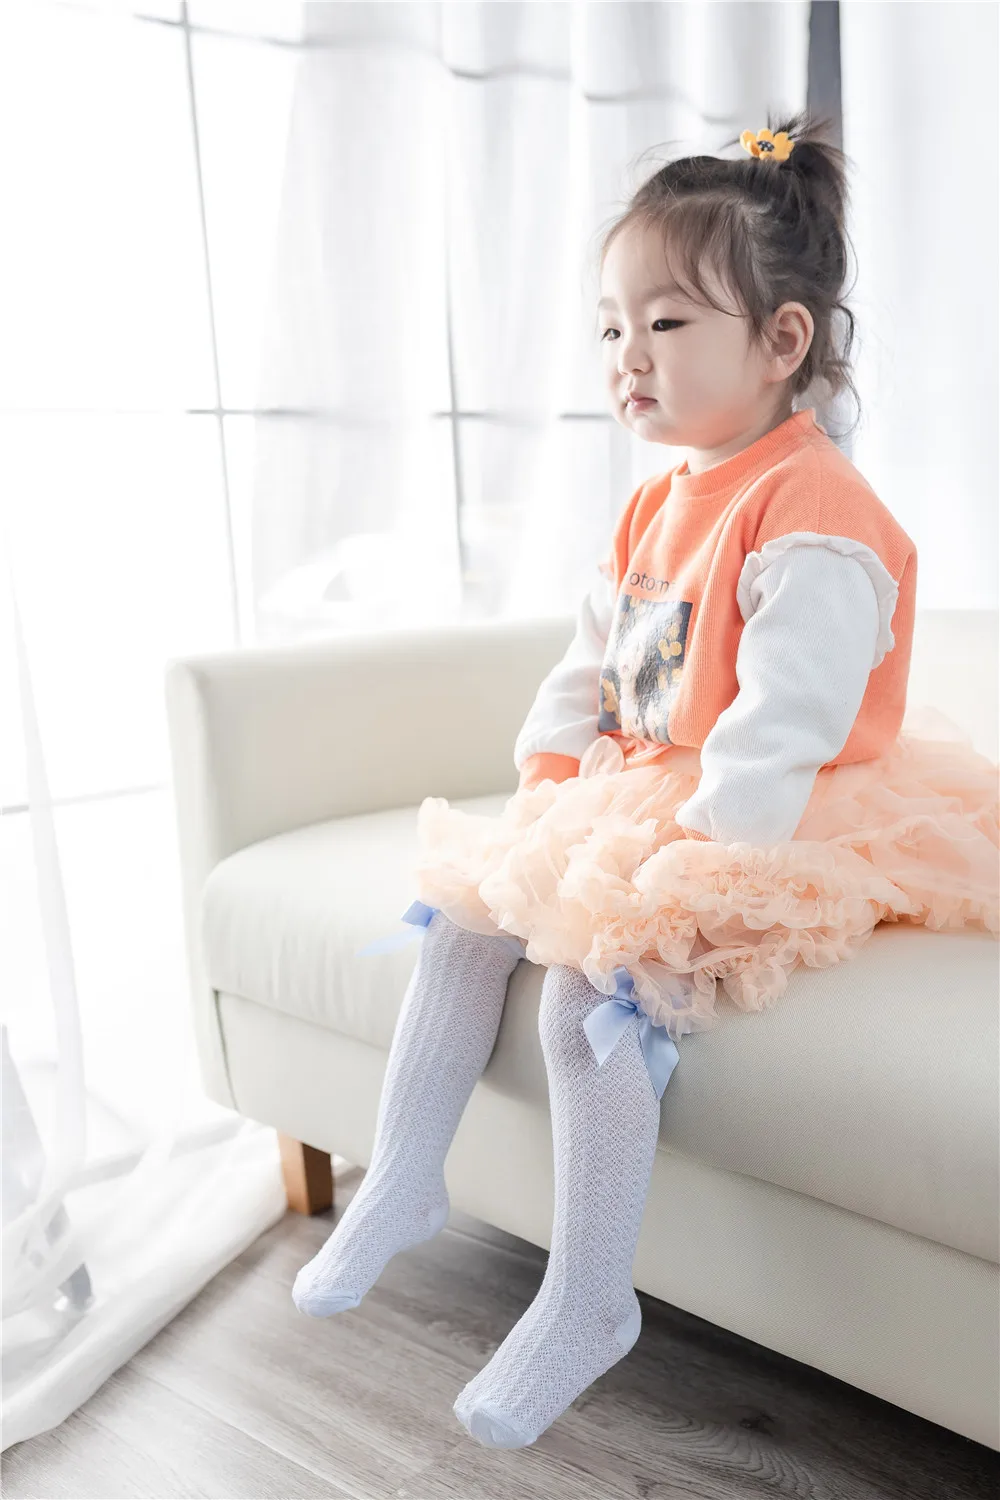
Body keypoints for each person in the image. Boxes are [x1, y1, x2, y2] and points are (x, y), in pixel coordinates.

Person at [291, 112, 999, 1450]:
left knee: (590, 995)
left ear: (782, 341)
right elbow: (594, 663)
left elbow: (782, 724)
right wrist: (550, 781)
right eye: (611, 327)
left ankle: (587, 1297)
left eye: (665, 323)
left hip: (772, 807)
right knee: (462, 921)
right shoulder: (654, 501)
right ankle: (402, 1181)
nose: (628, 356)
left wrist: (697, 861)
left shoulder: (816, 514)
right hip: (646, 784)